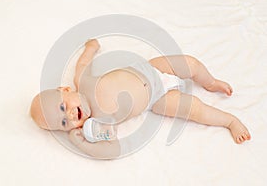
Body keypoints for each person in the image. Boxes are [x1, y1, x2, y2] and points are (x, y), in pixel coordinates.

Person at [30, 39, 251, 159]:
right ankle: (230, 121)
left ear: (65, 89)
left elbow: (82, 62)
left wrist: (91, 47)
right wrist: (82, 143)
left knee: (190, 64)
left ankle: (210, 82)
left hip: (151, 69)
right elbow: (110, 150)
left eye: (62, 106)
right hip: (157, 98)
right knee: (194, 109)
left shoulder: (83, 80)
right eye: (63, 123)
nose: (68, 116)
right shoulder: (98, 123)